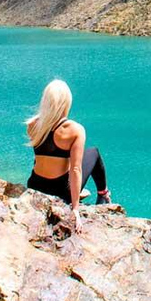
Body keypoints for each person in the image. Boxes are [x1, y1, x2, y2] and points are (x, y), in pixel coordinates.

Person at [26, 79, 111, 232]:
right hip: (60, 190)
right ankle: (103, 194)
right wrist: (75, 209)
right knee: (93, 153)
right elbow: (76, 169)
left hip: (35, 185)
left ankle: (86, 192)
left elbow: (40, 158)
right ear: (66, 102)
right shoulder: (74, 129)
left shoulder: (32, 125)